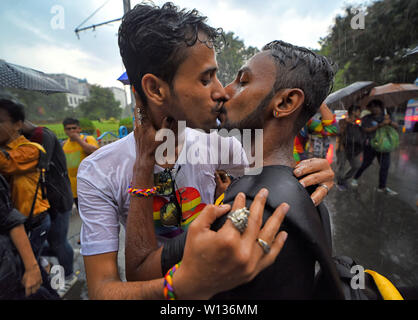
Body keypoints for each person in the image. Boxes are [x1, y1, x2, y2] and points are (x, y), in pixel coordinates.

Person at [77, 2, 335, 299]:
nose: (221, 91)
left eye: (231, 78)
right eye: (205, 78)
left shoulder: (224, 145)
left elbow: (270, 175)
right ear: (156, 90)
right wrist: (179, 287)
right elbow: (102, 290)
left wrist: (308, 174)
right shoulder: (98, 171)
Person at [128, 39, 341, 299]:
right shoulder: (306, 190)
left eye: (243, 81)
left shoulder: (241, 215)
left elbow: (141, 272)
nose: (223, 91)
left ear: (285, 103)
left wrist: (143, 163)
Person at [22, 121, 77, 297]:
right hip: (49, 199)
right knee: (51, 243)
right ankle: (59, 260)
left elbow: (39, 165)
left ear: (18, 122)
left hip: (58, 198)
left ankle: (68, 275)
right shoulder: (34, 136)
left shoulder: (42, 135)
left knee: (58, 242)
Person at [0, 94, 50, 259]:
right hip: (14, 223)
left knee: (28, 265)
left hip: (33, 220)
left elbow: (7, 165)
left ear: (18, 124)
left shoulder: (32, 149)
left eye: (0, 121)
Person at [0, 173, 60, 300]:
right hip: (28, 221)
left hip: (36, 218)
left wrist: (31, 266)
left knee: (58, 246)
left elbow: (9, 218)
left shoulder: (27, 154)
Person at [351, 99, 399, 195]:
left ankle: (382, 187)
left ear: (380, 107)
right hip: (370, 145)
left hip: (384, 145)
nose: (373, 109)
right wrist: (380, 125)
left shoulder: (387, 116)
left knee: (384, 166)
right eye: (371, 107)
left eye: (374, 107)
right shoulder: (367, 118)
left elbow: (397, 126)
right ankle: (355, 178)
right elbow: (365, 129)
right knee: (366, 163)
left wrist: (389, 122)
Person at [62, 118, 99, 209]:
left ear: (79, 129)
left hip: (90, 186)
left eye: (74, 128)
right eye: (68, 129)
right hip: (74, 189)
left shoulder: (87, 139)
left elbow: (95, 152)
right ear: (64, 131)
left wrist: (78, 140)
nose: (71, 131)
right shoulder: (64, 144)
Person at [335, 105, 363, 190]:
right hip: (343, 147)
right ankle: (340, 183)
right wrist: (346, 123)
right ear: (353, 112)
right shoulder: (343, 121)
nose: (360, 113)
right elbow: (339, 133)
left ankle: (344, 179)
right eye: (358, 111)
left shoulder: (358, 122)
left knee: (356, 165)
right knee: (341, 166)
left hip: (353, 149)